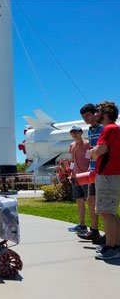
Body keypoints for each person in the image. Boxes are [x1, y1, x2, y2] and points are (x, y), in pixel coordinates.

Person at [90, 101, 120, 260]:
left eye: (98, 111)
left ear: (106, 112)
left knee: (106, 212)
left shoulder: (108, 129)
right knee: (112, 212)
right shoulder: (116, 129)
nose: (96, 114)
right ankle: (116, 244)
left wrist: (93, 151)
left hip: (107, 175)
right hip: (114, 175)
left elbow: (100, 150)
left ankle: (110, 247)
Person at [77, 104, 104, 243]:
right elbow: (91, 150)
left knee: (103, 203)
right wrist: (89, 166)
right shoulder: (90, 130)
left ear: (95, 114)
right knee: (91, 200)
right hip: (93, 170)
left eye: (87, 115)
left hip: (103, 170)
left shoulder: (103, 128)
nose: (85, 118)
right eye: (83, 116)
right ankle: (94, 231)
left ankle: (111, 235)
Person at [67, 125, 90, 233]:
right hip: (75, 178)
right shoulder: (71, 145)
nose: (74, 134)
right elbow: (72, 161)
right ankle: (82, 225)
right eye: (72, 132)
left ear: (81, 132)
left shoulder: (87, 144)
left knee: (90, 202)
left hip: (86, 177)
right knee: (79, 202)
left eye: (76, 132)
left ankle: (94, 228)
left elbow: (91, 159)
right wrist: (71, 173)